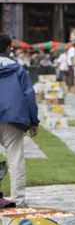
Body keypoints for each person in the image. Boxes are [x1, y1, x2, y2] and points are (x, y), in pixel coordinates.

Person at [0, 34, 39, 207]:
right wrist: (34, 121)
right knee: (15, 159)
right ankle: (18, 200)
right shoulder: (18, 69)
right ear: (9, 48)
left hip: (11, 116)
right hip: (13, 117)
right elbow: (29, 95)